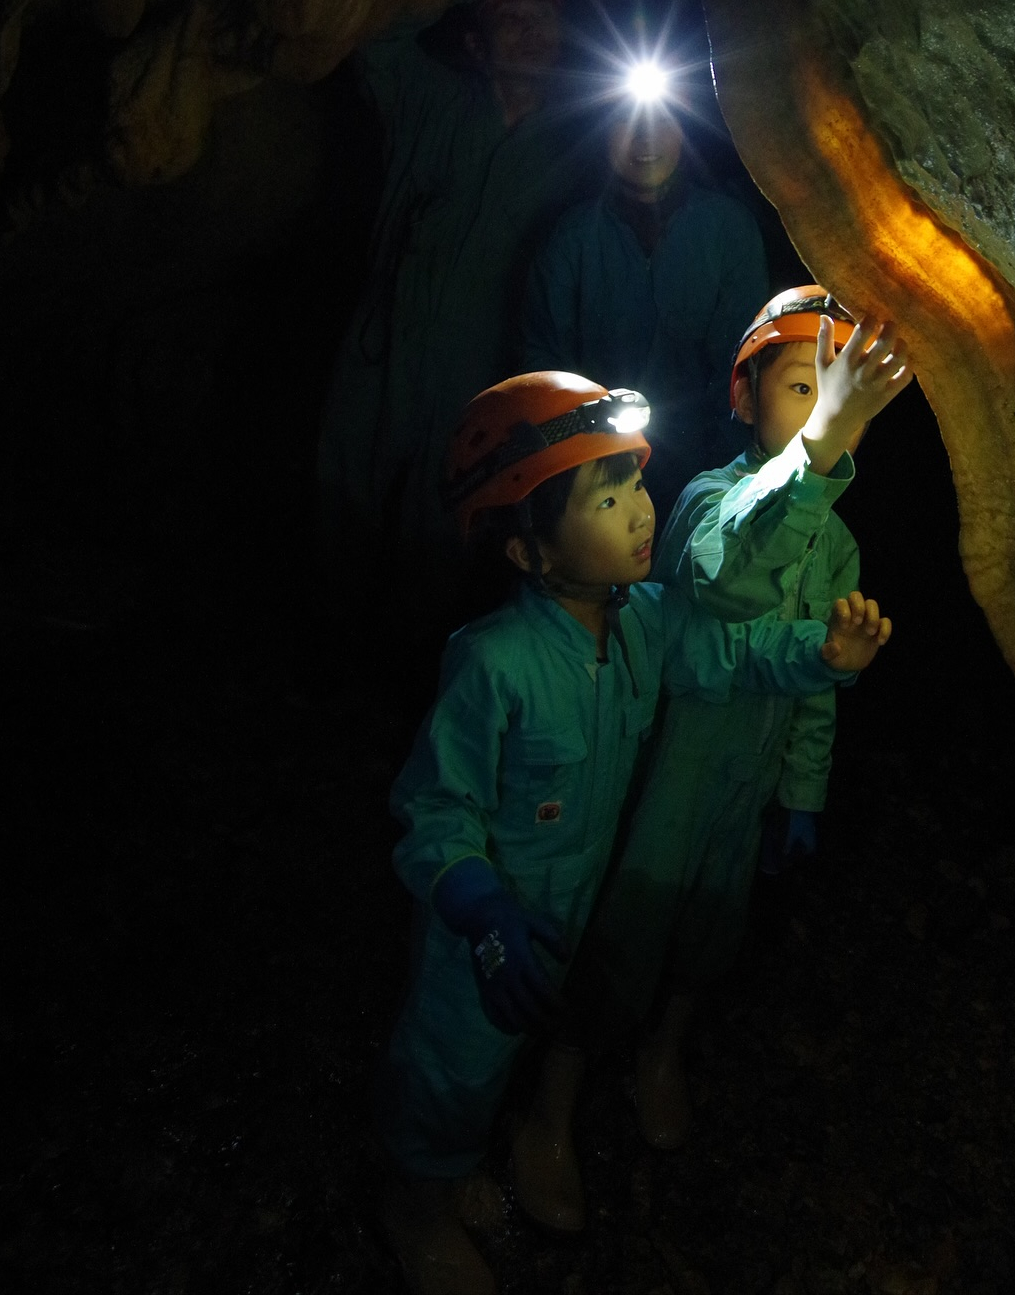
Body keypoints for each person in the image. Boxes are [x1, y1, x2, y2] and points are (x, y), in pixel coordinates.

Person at [376, 368, 896, 1295]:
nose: (641, 511)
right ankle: (414, 1208)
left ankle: (450, 1169)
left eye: (635, 484)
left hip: (566, 912)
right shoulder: (495, 663)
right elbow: (434, 809)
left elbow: (720, 654)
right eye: (605, 496)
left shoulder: (642, 623)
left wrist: (818, 652)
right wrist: (481, 907)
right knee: (447, 1064)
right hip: (483, 933)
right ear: (530, 555)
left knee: (500, 1065)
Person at [582, 286, 913, 1150]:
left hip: (747, 780)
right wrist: (818, 449)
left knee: (711, 928)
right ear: (744, 397)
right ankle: (562, 1084)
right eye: (802, 387)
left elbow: (814, 693)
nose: (824, 411)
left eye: (842, 399)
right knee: (629, 921)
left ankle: (662, 1056)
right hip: (672, 773)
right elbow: (728, 578)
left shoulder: (837, 545)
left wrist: (803, 791)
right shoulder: (703, 499)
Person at [317, 0, 584, 594]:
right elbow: (373, 30)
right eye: (511, 14)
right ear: (476, 37)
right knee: (334, 525)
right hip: (379, 361)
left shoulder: (578, 151)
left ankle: (408, 687)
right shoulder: (428, 100)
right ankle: (313, 673)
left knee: (438, 553)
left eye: (544, 16)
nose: (529, 30)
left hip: (482, 389)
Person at [520, 72, 768, 521]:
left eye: (662, 119)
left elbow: (744, 368)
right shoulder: (572, 241)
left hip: (708, 481)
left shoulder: (728, 230)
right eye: (625, 121)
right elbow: (542, 365)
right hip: (598, 480)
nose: (645, 138)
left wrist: (724, 484)